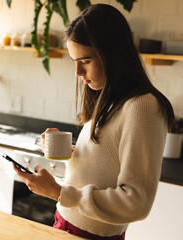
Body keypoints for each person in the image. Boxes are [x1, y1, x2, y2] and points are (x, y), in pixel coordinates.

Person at [13, 3, 174, 240]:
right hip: (64, 222)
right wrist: (67, 151)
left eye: (85, 61)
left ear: (113, 55)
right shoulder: (109, 98)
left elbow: (136, 201)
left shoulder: (143, 106)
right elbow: (108, 160)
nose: (77, 72)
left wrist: (58, 192)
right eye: (74, 61)